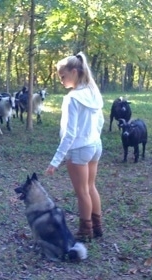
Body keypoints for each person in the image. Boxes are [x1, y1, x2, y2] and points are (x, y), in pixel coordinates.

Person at [45, 51, 104, 241]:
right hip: (95, 145)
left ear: (74, 71)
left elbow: (69, 134)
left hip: (80, 149)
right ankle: (98, 226)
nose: (61, 81)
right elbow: (100, 121)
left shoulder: (72, 98)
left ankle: (86, 231)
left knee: (82, 192)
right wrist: (94, 138)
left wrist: (56, 161)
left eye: (63, 76)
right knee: (90, 187)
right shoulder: (93, 91)